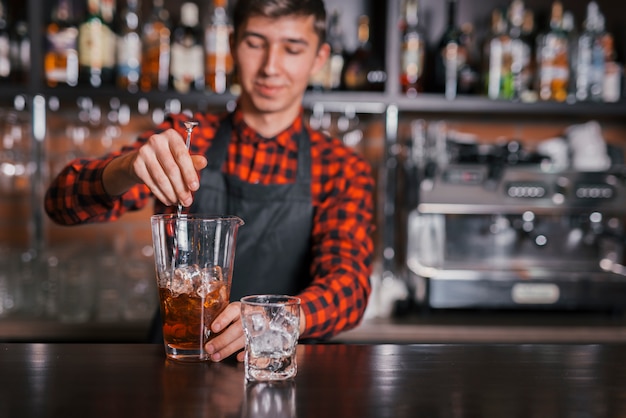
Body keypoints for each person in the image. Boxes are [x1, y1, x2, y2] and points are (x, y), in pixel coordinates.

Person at [44, 0, 375, 362]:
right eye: (255, 43)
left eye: (292, 48)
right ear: (232, 45)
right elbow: (60, 205)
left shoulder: (341, 167)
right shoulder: (187, 140)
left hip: (274, 372)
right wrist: (125, 168)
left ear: (319, 58)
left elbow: (350, 285)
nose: (270, 66)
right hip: (177, 364)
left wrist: (277, 318)